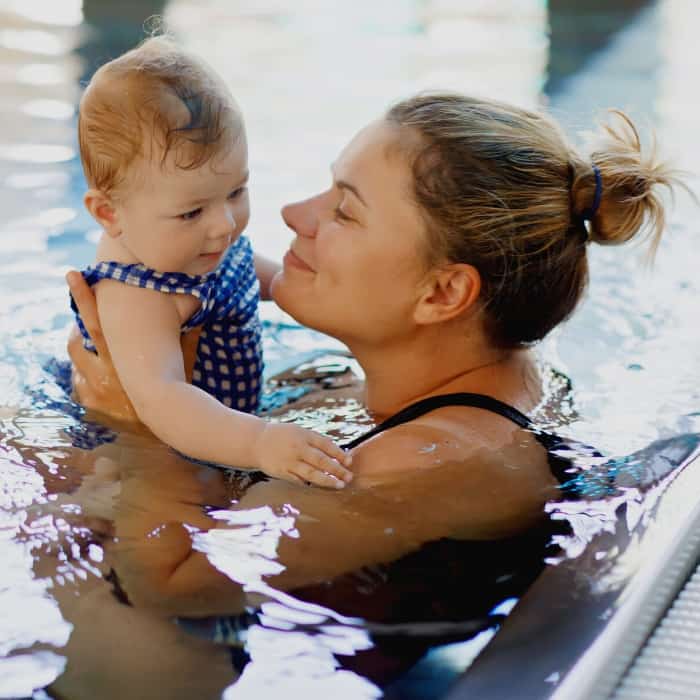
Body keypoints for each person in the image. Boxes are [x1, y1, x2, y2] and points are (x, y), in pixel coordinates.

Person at [62, 92, 681, 691]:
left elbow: (174, 583)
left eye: (344, 211)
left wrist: (138, 418)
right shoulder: (419, 382)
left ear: (442, 294)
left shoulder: (442, 456)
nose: (295, 214)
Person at [70, 36, 352, 489]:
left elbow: (266, 280)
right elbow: (164, 400)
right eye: (191, 212)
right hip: (138, 445)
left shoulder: (194, 242)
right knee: (109, 495)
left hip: (226, 429)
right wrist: (260, 442)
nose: (224, 224)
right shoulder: (137, 294)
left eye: (237, 192)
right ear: (109, 214)